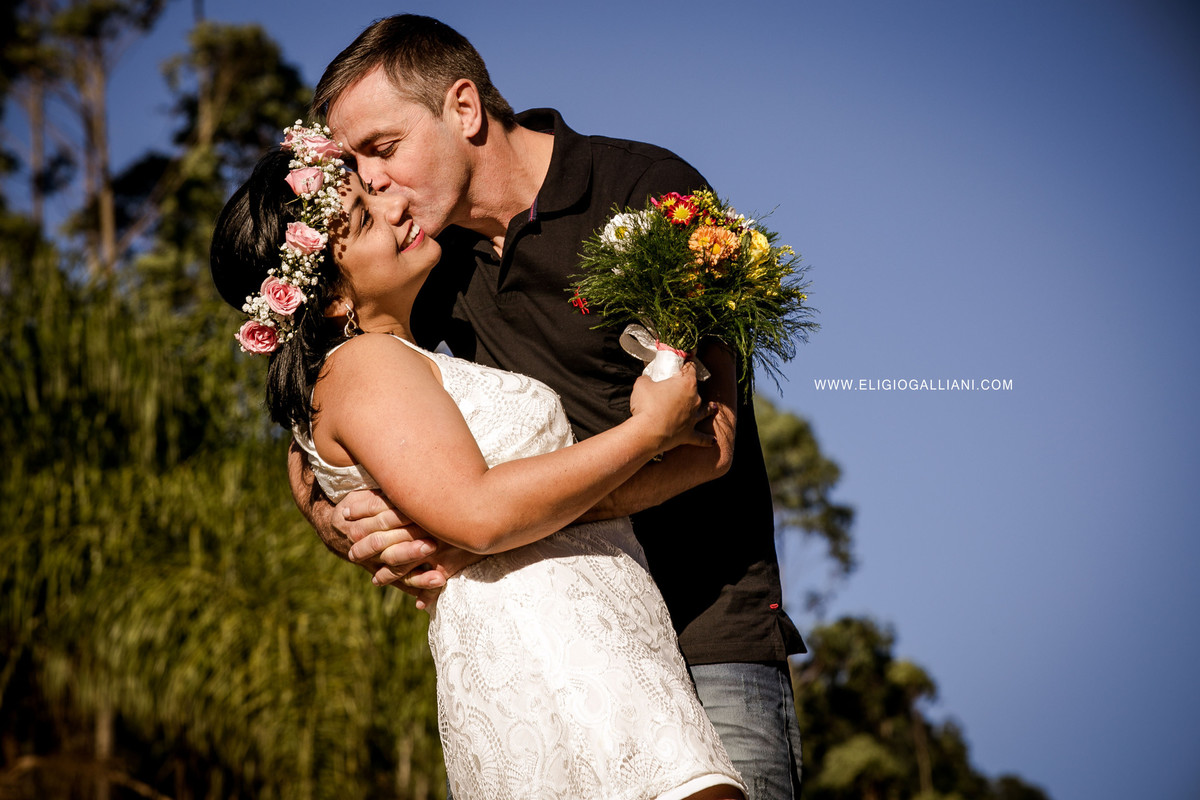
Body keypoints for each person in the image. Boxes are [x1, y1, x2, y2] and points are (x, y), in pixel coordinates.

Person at [298, 15, 805, 799]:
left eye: (384, 149)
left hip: (709, 632)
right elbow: (317, 439)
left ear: (463, 108)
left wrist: (479, 523)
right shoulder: (418, 268)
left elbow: (709, 444)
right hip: (549, 653)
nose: (371, 183)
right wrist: (345, 520)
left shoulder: (645, 195)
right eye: (356, 163)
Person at [210, 132, 746, 800]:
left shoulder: (385, 362)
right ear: (330, 300)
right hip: (554, 651)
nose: (397, 209)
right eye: (367, 221)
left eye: (376, 194)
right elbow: (483, 513)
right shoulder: (367, 365)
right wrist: (645, 431)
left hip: (587, 639)